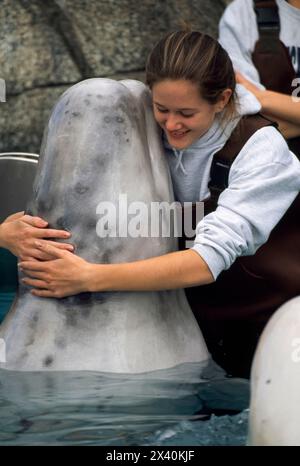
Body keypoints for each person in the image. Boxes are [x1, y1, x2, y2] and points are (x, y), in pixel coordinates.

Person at [10, 31, 300, 376]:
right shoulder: (151, 126)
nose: (172, 125)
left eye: (186, 113)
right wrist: (9, 233)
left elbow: (207, 261)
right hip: (182, 327)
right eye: (162, 109)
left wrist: (87, 277)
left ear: (222, 100)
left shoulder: (262, 153)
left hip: (266, 336)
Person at [219, 0, 300, 147]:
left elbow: (252, 104)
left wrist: (259, 96)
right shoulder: (243, 14)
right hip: (268, 160)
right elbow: (240, 120)